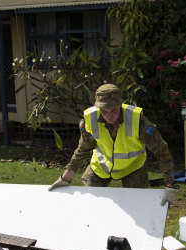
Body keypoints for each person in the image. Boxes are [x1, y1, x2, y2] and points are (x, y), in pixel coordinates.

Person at [48, 83, 177, 205]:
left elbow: (161, 150)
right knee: (90, 201)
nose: (109, 115)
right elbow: (83, 149)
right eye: (104, 111)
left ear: (120, 105)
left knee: (139, 202)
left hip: (132, 167)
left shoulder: (138, 122)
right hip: (101, 166)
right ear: (98, 107)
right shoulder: (90, 120)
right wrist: (66, 178)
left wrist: (169, 184)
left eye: (113, 110)